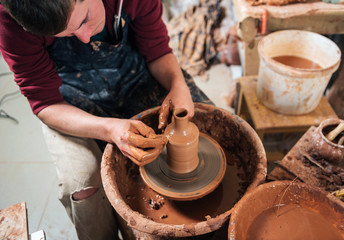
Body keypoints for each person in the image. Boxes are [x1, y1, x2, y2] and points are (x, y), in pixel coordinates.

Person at [0, 0, 211, 239]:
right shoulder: (13, 17)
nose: (84, 37)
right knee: (81, 182)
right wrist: (109, 129)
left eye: (85, 19)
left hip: (135, 71)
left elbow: (157, 50)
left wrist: (177, 84)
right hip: (66, 98)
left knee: (208, 124)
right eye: (66, 33)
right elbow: (45, 103)